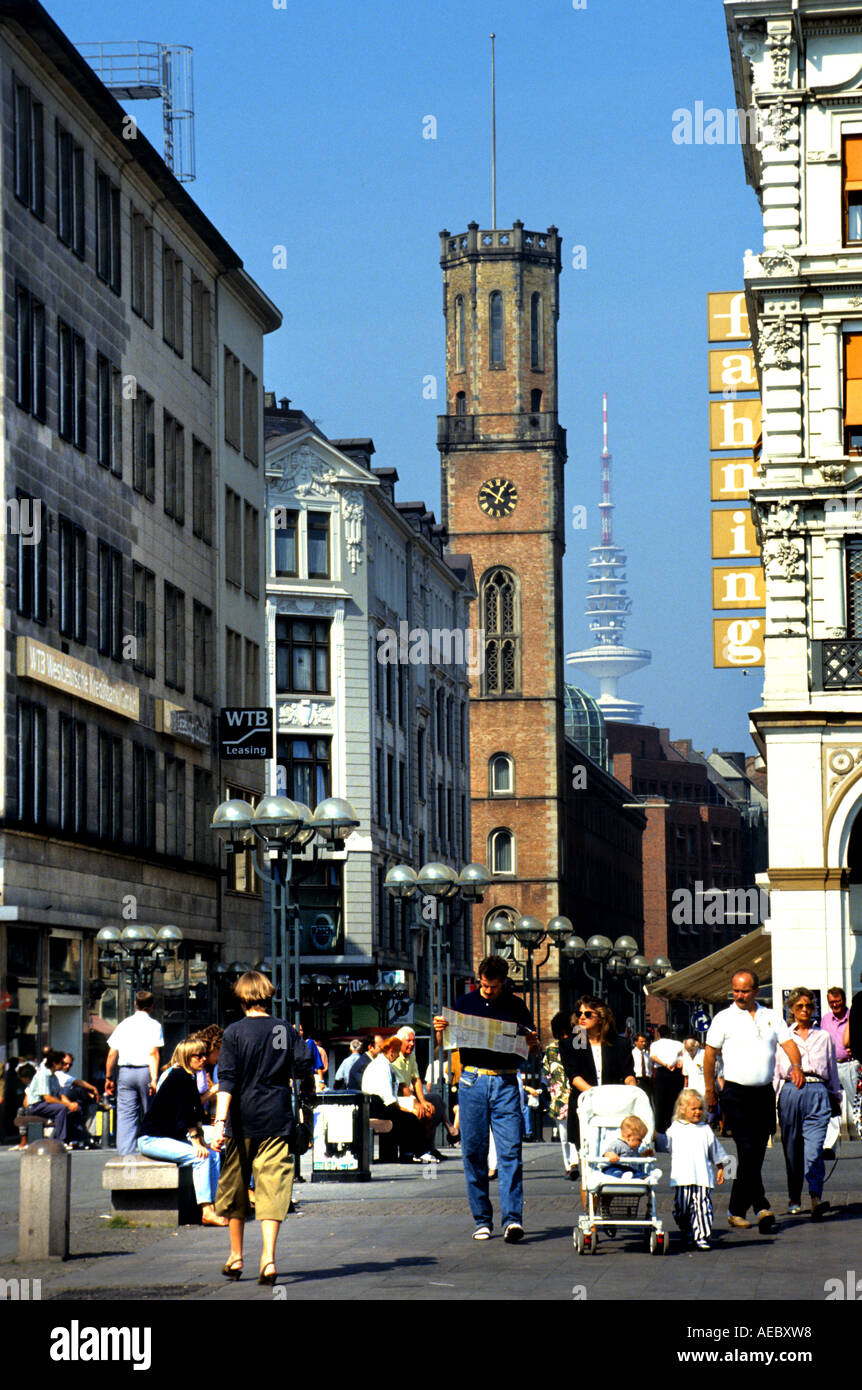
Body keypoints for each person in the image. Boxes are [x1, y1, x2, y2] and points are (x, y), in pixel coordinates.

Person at [212, 972, 314, 1284]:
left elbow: (226, 1080)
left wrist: (218, 1123)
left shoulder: (234, 1032)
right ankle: (268, 1259)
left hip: (242, 1120)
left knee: (236, 1187)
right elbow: (302, 1068)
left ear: (241, 998)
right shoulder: (283, 1028)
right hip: (276, 1117)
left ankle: (236, 1256)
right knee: (273, 1187)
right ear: (267, 995)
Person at [433, 956, 538, 1243]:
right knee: (474, 1152)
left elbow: (532, 1047)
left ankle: (512, 1220)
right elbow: (446, 1047)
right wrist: (440, 1032)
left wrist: (532, 1042)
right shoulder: (465, 1003)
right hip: (472, 1080)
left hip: (505, 1079)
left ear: (503, 982)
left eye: (493, 986)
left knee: (510, 1152)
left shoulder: (516, 1006)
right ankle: (482, 1219)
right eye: (483, 984)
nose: (487, 990)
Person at [704, 968, 804, 1234]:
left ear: (756, 991)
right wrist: (710, 1090)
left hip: (763, 1093)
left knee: (756, 1152)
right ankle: (761, 1206)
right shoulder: (723, 1019)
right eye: (735, 990)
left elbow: (789, 1044)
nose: (739, 995)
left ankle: (736, 1210)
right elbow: (710, 1056)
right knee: (747, 1149)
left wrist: (796, 1066)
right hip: (736, 1093)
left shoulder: (771, 1016)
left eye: (744, 990)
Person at [136, 1038, 226, 1226]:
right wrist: (196, 1142)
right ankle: (206, 1211)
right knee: (200, 1157)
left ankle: (218, 1205)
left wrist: (203, 1141)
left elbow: (197, 1115)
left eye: (204, 1054)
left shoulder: (190, 1077)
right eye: (198, 1055)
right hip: (152, 1139)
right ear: (187, 1057)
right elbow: (185, 1114)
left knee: (214, 1154)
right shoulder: (179, 1076)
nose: (203, 1059)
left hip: (168, 1137)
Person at [774, 987, 839, 1219]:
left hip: (818, 1090)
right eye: (799, 1006)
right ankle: (794, 1197)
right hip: (791, 1091)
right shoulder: (783, 1037)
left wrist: (836, 1097)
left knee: (814, 1149)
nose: (805, 1010)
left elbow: (832, 1069)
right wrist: (772, 1103)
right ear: (791, 1009)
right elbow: (775, 1072)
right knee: (791, 1148)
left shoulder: (824, 1037)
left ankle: (815, 1197)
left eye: (809, 1006)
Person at [655, 1088, 729, 1250]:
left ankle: (701, 1236)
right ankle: (687, 1231)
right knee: (681, 1209)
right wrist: (653, 1136)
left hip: (702, 1177)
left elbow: (715, 1150)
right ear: (682, 1109)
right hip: (682, 1177)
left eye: (700, 1108)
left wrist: (721, 1167)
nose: (697, 1112)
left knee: (703, 1207)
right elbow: (665, 1143)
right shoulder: (676, 1128)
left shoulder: (705, 1129)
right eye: (693, 1108)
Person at [560, 996, 636, 1154]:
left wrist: (633, 1091)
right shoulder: (571, 1044)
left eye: (588, 1014)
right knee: (587, 1155)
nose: (582, 1017)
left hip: (616, 1106)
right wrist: (597, 1095)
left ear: (601, 1018)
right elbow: (573, 1076)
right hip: (586, 1104)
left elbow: (628, 1074)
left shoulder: (620, 1044)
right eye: (579, 1013)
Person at [105, 990, 164, 1155]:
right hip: (145, 1071)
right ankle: (153, 1150)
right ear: (151, 1007)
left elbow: (111, 1054)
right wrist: (154, 1078)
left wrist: (109, 1077)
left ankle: (125, 1155)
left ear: (134, 1004)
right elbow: (153, 1053)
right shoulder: (155, 1025)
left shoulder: (123, 1024)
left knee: (125, 1115)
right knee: (150, 1112)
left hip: (125, 1072)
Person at [361, 1035, 428, 1156]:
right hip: (376, 1106)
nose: (398, 1056)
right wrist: (402, 1109)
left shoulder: (382, 1063)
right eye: (397, 1053)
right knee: (410, 1118)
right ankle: (419, 1152)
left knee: (406, 1116)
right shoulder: (382, 1066)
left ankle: (411, 1152)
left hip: (374, 1105)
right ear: (392, 1052)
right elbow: (388, 1097)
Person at [393, 1026, 442, 1161]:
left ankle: (427, 1147)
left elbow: (416, 1079)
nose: (412, 1044)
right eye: (408, 1041)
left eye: (413, 1041)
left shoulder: (412, 1055)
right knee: (420, 1112)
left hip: (407, 1096)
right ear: (400, 1041)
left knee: (429, 1110)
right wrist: (416, 1102)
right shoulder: (395, 1056)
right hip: (395, 1097)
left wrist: (423, 1101)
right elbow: (402, 1086)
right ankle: (415, 1150)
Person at [22, 1049, 87, 1147]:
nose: (64, 1066)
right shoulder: (43, 1075)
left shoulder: (54, 1077)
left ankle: (75, 1139)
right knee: (61, 1109)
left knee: (75, 1110)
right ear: (54, 1063)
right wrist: (68, 1105)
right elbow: (48, 1098)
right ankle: (60, 1141)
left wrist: (72, 1105)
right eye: (62, 1063)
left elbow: (60, 1096)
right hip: (36, 1105)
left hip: (47, 1105)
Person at [542, 1012, 577, 1178]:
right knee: (564, 1135)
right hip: (560, 1097)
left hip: (575, 1094)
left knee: (576, 1133)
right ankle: (569, 1165)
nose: (565, 1036)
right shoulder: (551, 1050)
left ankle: (576, 1163)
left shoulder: (580, 1045)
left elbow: (546, 1074)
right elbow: (546, 1074)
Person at [820, 987, 859, 1136]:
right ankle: (829, 1146)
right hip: (832, 1066)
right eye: (832, 1002)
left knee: (857, 1104)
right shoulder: (825, 1019)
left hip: (850, 1065)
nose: (835, 1005)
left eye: (838, 1001)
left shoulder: (854, 1017)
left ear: (844, 1000)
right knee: (830, 1105)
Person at [649, 1026, 685, 1132]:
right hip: (675, 1073)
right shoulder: (678, 1044)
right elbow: (683, 1056)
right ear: (670, 1033)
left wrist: (665, 1065)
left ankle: (660, 1129)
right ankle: (674, 1125)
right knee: (674, 1100)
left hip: (662, 1072)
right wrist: (677, 1063)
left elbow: (653, 1057)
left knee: (660, 1101)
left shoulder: (655, 1044)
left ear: (659, 1034)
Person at [601, 1113, 652, 1178]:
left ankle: (648, 1177)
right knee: (615, 1172)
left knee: (639, 1173)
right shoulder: (617, 1144)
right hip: (615, 1167)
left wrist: (644, 1154)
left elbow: (636, 1158)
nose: (641, 1142)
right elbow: (607, 1153)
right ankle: (623, 1176)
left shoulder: (634, 1148)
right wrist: (611, 1155)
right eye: (639, 1140)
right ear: (628, 1137)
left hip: (629, 1170)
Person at [631, 1032, 652, 1100]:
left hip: (647, 1081)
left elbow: (649, 1068)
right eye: (641, 1041)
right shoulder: (632, 1054)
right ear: (635, 1042)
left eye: (644, 1041)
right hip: (637, 1080)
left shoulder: (646, 1055)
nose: (644, 1043)